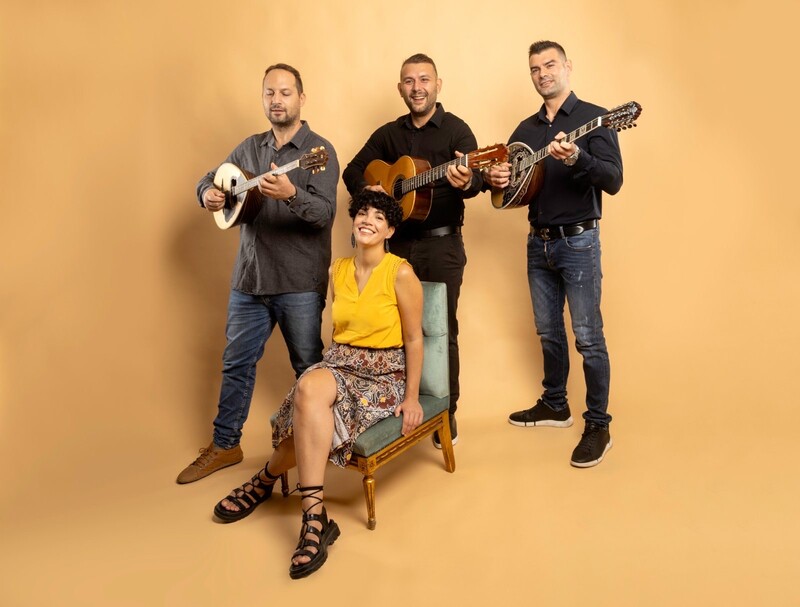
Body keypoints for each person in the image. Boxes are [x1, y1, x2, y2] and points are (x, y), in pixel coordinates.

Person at [211, 190, 424, 579]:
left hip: (383, 374)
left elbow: (413, 338)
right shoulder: (337, 270)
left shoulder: (401, 272)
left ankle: (266, 481)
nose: (368, 220)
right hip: (341, 362)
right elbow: (340, 332)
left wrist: (412, 398)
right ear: (354, 221)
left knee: (309, 412)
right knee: (309, 390)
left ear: (390, 230)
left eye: (379, 217)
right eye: (362, 213)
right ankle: (315, 515)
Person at [177, 64, 340, 484]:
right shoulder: (250, 148)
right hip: (249, 280)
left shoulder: (319, 152)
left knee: (309, 370)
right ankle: (225, 445)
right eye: (270, 93)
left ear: (301, 98)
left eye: (285, 92)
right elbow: (208, 179)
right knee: (236, 364)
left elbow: (324, 215)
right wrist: (207, 194)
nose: (277, 100)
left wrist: (292, 194)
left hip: (299, 282)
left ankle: (319, 449)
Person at [483, 41, 623, 468]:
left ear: (567, 67)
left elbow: (613, 180)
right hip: (537, 243)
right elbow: (510, 190)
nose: (543, 73)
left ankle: (598, 425)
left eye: (550, 65)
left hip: (579, 243)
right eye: (535, 68)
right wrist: (496, 178)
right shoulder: (524, 130)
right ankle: (555, 404)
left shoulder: (597, 118)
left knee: (588, 336)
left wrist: (579, 157)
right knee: (547, 331)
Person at [342, 53, 480, 448]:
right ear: (400, 88)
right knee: (396, 329)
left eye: (424, 79)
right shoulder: (389, 133)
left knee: (441, 330)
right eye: (409, 81)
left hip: (442, 245)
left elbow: (479, 181)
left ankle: (445, 414)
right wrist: (370, 189)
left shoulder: (457, 131)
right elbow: (352, 171)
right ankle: (398, 406)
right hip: (397, 246)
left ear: (438, 85)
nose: (417, 87)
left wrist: (468, 179)